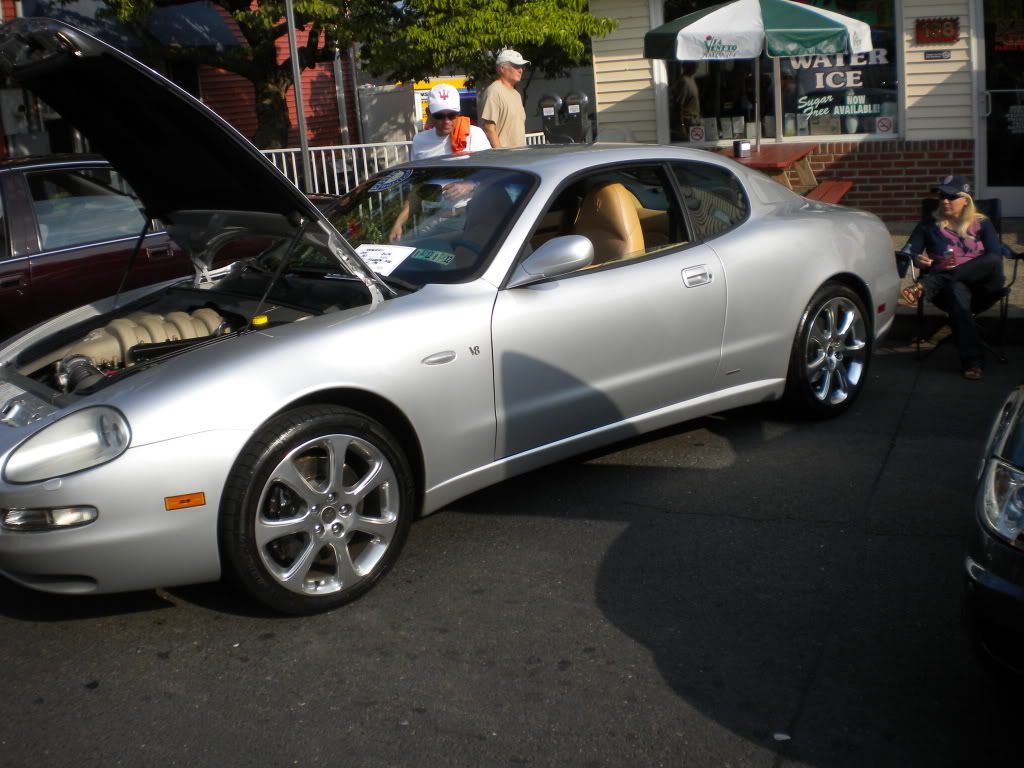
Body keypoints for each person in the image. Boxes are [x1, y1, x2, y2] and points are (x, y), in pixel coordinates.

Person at [900, 175, 1005, 380]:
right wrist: (918, 259)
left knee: (992, 258)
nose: (945, 200)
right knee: (957, 290)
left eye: (951, 196)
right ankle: (973, 362)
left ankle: (927, 284)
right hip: (949, 293)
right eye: (942, 196)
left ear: (966, 199)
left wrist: (936, 277)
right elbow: (907, 252)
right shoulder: (929, 225)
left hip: (984, 288)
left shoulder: (983, 224)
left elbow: (994, 256)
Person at [411, 83, 491, 160]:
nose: (446, 121)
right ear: (429, 113)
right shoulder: (419, 140)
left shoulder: (475, 134)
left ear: (459, 113)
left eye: (452, 115)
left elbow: (487, 168)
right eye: (439, 116)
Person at [479, 49, 529, 148]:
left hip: (519, 158)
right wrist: (501, 155)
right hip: (505, 160)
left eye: (522, 67)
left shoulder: (516, 94)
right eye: (516, 66)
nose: (521, 70)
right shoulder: (494, 91)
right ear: (502, 68)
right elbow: (489, 129)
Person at [680, 62, 700, 134]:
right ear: (687, 66)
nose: (697, 66)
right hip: (688, 121)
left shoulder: (691, 78)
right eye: (694, 64)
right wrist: (682, 125)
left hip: (695, 120)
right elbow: (680, 105)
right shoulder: (684, 81)